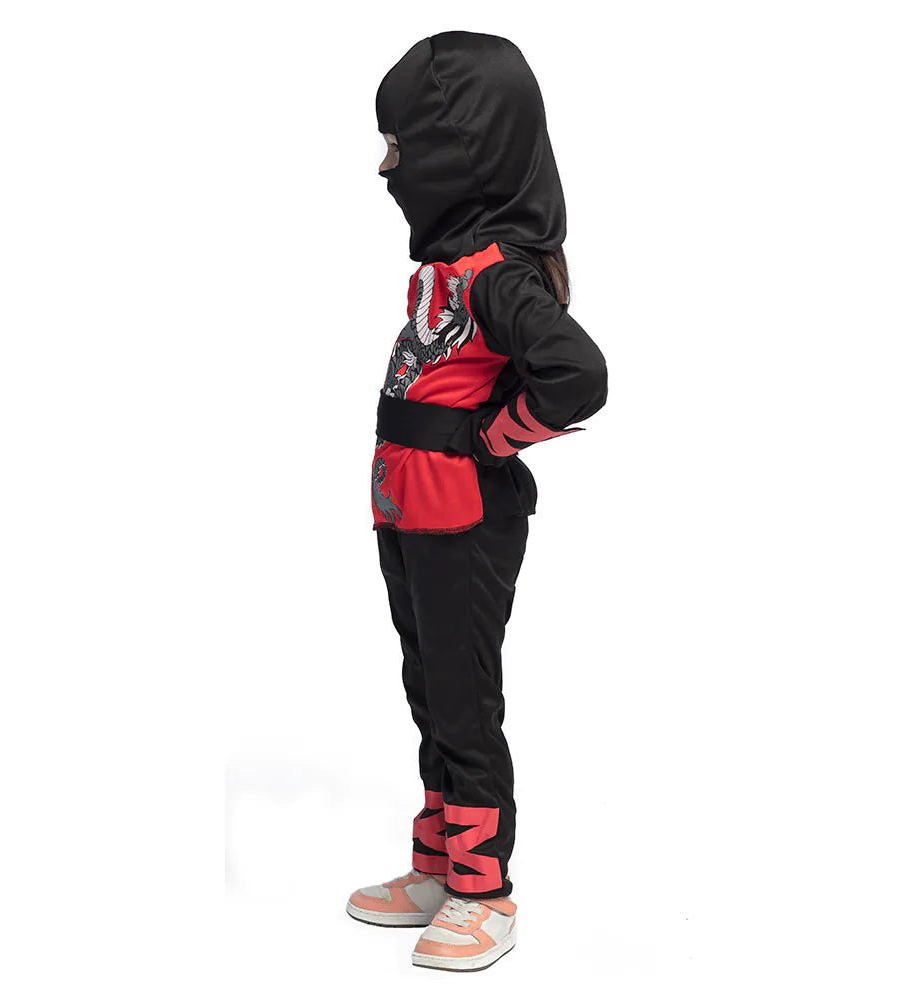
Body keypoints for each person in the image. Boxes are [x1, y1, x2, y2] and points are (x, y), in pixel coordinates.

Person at [347, 31, 608, 972]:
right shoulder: (448, 270)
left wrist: (496, 437)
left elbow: (578, 374)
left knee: (464, 698)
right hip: (410, 509)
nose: (386, 170)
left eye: (401, 146)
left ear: (463, 150)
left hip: (462, 515)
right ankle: (438, 866)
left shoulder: (496, 275)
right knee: (428, 690)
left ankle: (484, 889)